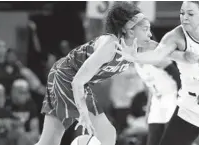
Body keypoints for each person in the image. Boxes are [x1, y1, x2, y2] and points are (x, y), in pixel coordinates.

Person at [116, 1, 199, 145]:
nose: (184, 17)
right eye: (182, 13)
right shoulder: (175, 37)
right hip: (193, 101)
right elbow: (158, 55)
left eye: (190, 13)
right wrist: (134, 57)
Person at [35, 2, 155, 145]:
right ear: (130, 31)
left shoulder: (137, 46)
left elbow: (167, 48)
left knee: (50, 141)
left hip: (75, 81)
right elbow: (77, 81)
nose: (150, 34)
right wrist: (83, 111)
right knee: (106, 133)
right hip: (66, 77)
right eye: (146, 29)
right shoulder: (110, 45)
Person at [134, 61, 181, 145]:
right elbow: (150, 87)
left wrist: (181, 101)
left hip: (172, 97)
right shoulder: (136, 64)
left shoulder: (156, 56)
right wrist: (148, 109)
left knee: (171, 137)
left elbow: (178, 77)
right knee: (153, 137)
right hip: (157, 99)